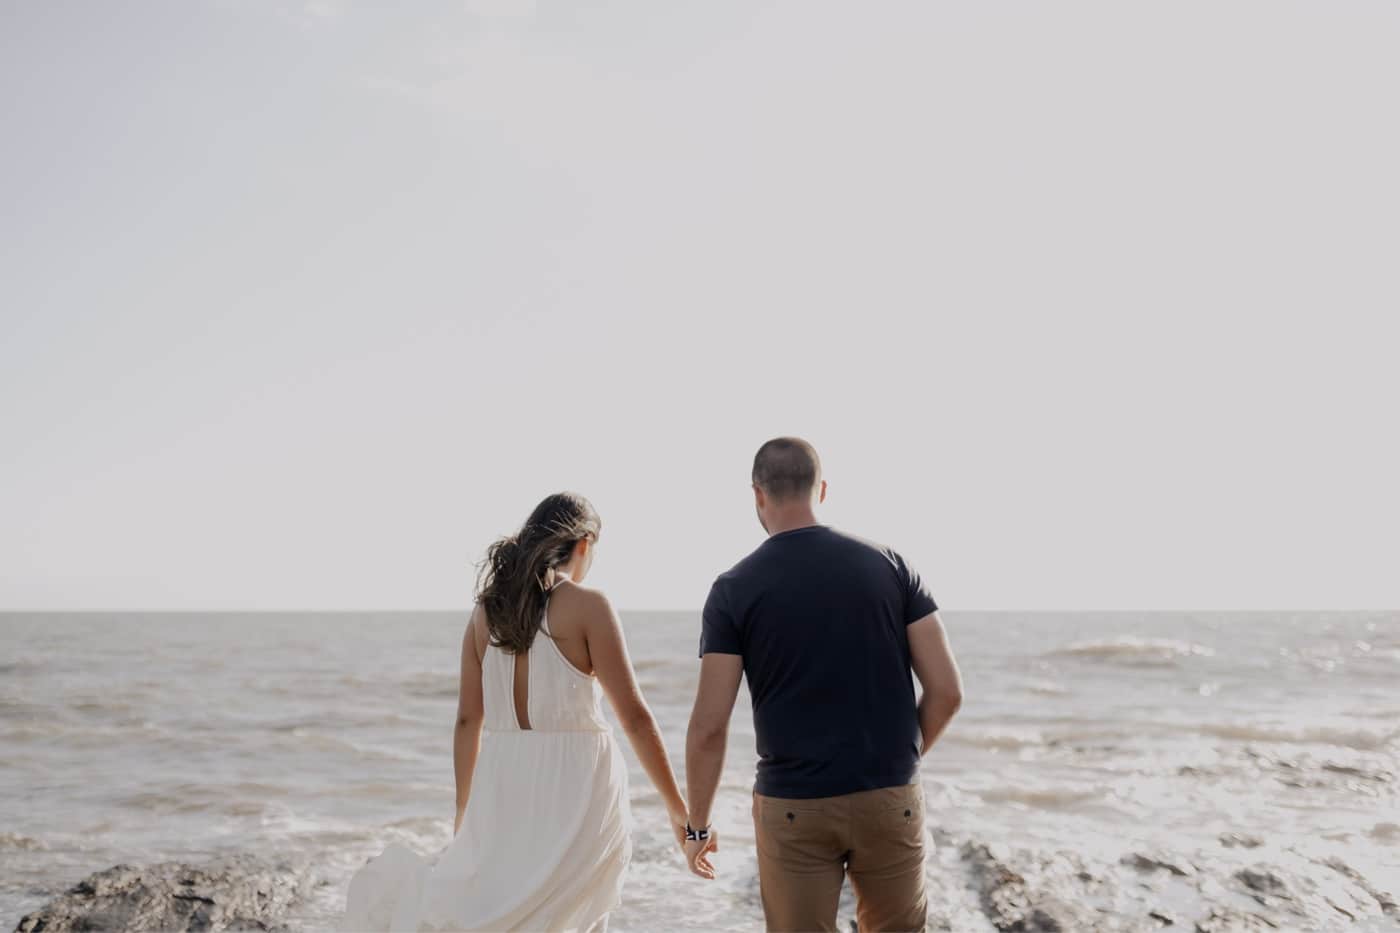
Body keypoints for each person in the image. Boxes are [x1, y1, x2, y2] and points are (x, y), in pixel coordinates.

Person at [344, 492, 688, 932]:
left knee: (498, 911)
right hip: (578, 787)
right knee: (572, 916)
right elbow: (635, 718)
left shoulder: (486, 613)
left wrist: (464, 811)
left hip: (501, 784)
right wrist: (681, 813)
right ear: (584, 543)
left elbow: (469, 720)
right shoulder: (589, 605)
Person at [682, 438, 964, 932]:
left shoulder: (733, 588)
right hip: (888, 794)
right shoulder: (893, 566)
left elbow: (709, 725)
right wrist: (904, 761)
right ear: (823, 489)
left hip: (794, 806)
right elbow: (947, 692)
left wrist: (698, 826)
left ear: (757, 495)